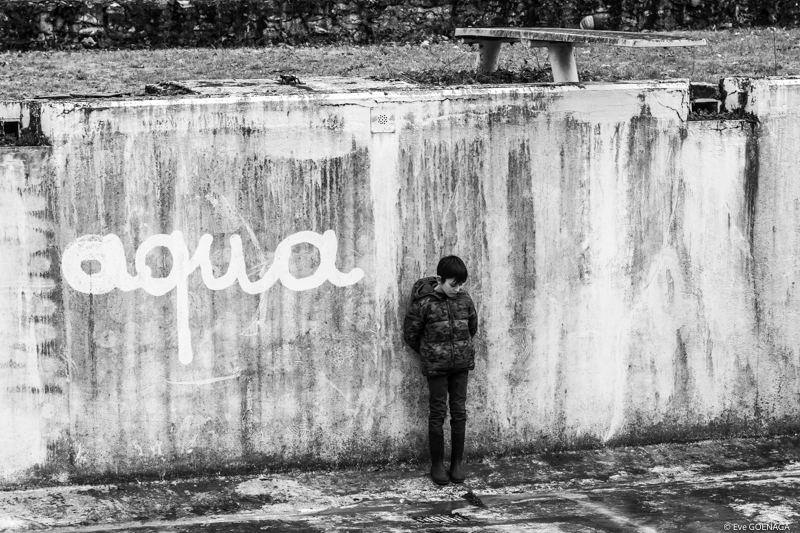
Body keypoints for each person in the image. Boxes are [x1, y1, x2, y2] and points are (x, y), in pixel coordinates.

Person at [403, 255, 478, 485]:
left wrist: (459, 351)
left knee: (459, 413)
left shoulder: (465, 300)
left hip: (460, 367)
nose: (457, 289)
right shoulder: (424, 302)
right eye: (453, 284)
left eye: (460, 284)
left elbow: (472, 327)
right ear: (441, 279)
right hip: (436, 369)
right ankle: (437, 464)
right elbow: (411, 334)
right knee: (437, 414)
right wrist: (430, 353)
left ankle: (456, 463)